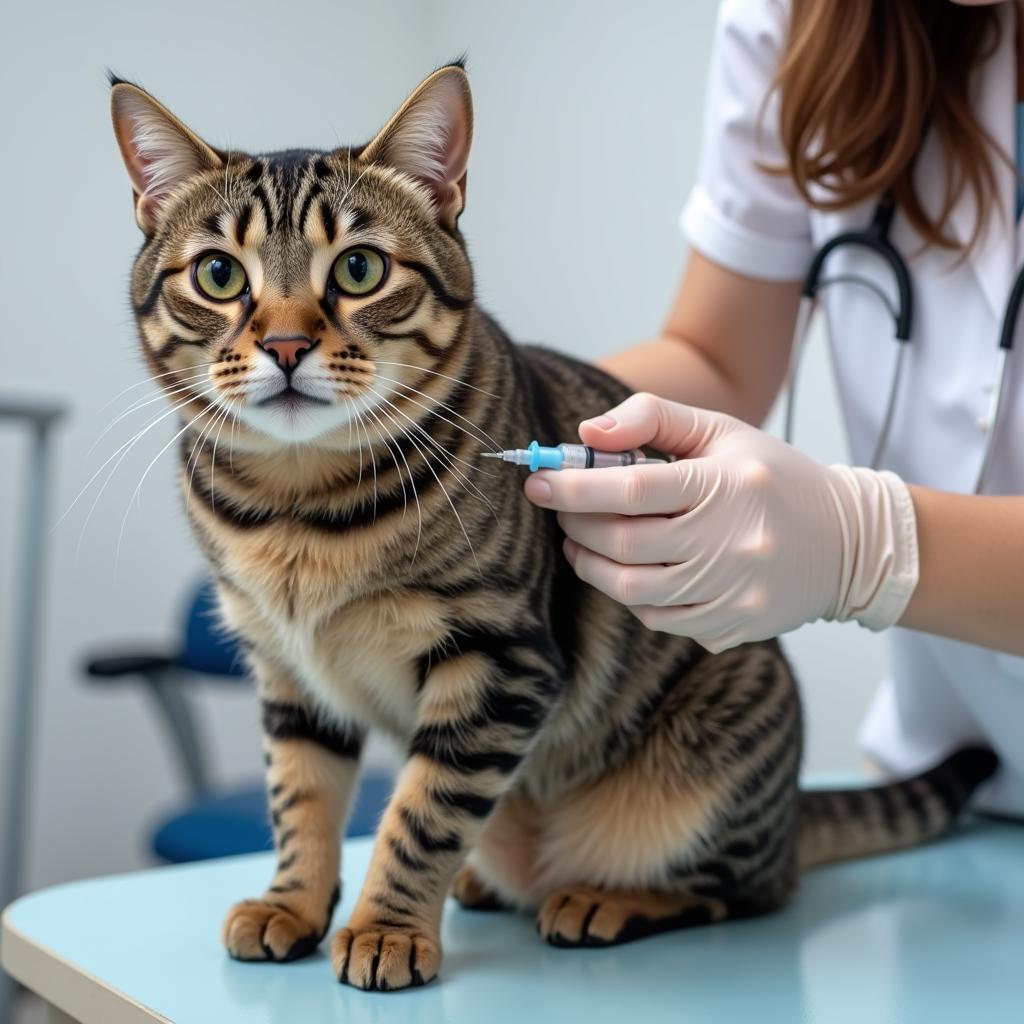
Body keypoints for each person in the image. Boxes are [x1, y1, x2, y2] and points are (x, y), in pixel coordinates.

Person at [524, 0, 1024, 816]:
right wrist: (501, 404)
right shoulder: (802, 20)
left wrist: (865, 546)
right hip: (960, 785)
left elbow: (856, 545)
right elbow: (718, 358)